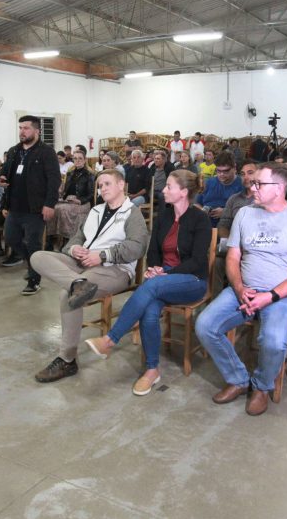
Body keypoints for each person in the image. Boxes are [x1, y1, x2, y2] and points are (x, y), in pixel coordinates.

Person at [195, 162, 287, 416]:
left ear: (280, 188)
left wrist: (269, 296)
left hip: (282, 296)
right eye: (253, 182)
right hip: (245, 290)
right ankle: (238, 378)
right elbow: (232, 257)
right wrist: (239, 288)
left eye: (259, 183)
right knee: (205, 325)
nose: (252, 187)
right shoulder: (245, 214)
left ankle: (261, 386)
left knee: (273, 340)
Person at [83, 170, 211, 395]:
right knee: (150, 309)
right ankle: (152, 370)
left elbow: (198, 261)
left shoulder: (200, 219)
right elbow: (152, 250)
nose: (163, 190)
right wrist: (154, 268)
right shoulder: (165, 216)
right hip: (162, 278)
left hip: (192, 280)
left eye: (169, 187)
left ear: (183, 192)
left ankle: (110, 340)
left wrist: (165, 275)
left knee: (150, 287)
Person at [31, 169, 149, 383]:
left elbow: (137, 247)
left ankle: (67, 360)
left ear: (121, 185)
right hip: (81, 263)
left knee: (67, 295)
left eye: (107, 184)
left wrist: (102, 256)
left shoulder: (132, 213)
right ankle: (77, 283)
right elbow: (76, 238)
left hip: (114, 269)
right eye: (100, 185)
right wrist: (75, 248)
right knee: (37, 257)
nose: (102, 188)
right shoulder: (95, 210)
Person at [0, 115, 61, 292]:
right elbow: (5, 172)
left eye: (26, 128)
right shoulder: (14, 151)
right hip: (15, 206)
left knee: (33, 244)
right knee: (11, 238)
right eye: (20, 128)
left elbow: (54, 180)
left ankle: (34, 280)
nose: (22, 131)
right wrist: (3, 179)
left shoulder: (46, 152)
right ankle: (35, 265)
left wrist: (50, 204)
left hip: (35, 208)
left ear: (37, 131)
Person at [49, 151, 94, 241]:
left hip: (82, 202)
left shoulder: (89, 174)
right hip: (68, 200)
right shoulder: (70, 173)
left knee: (63, 210)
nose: (77, 160)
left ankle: (67, 238)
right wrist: (60, 195)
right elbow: (64, 190)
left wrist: (80, 200)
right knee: (52, 208)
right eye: (75, 158)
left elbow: (91, 194)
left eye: (80, 158)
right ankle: (52, 238)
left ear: (85, 160)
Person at [197, 152, 243, 227]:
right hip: (205, 225)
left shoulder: (242, 185)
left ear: (234, 168)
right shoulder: (210, 182)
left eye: (226, 171)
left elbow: (247, 211)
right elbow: (197, 203)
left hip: (230, 227)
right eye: (218, 171)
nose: (221, 174)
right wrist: (203, 211)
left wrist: (226, 213)